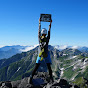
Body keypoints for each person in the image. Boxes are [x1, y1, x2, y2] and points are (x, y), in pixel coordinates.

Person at [29, 18, 53, 84]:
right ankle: (51, 79)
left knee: (36, 67)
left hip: (40, 55)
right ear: (45, 34)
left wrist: (39, 23)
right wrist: (50, 24)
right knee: (49, 67)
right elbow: (49, 32)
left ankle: (31, 78)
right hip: (46, 55)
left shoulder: (39, 38)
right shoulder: (47, 39)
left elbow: (38, 31)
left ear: (42, 33)